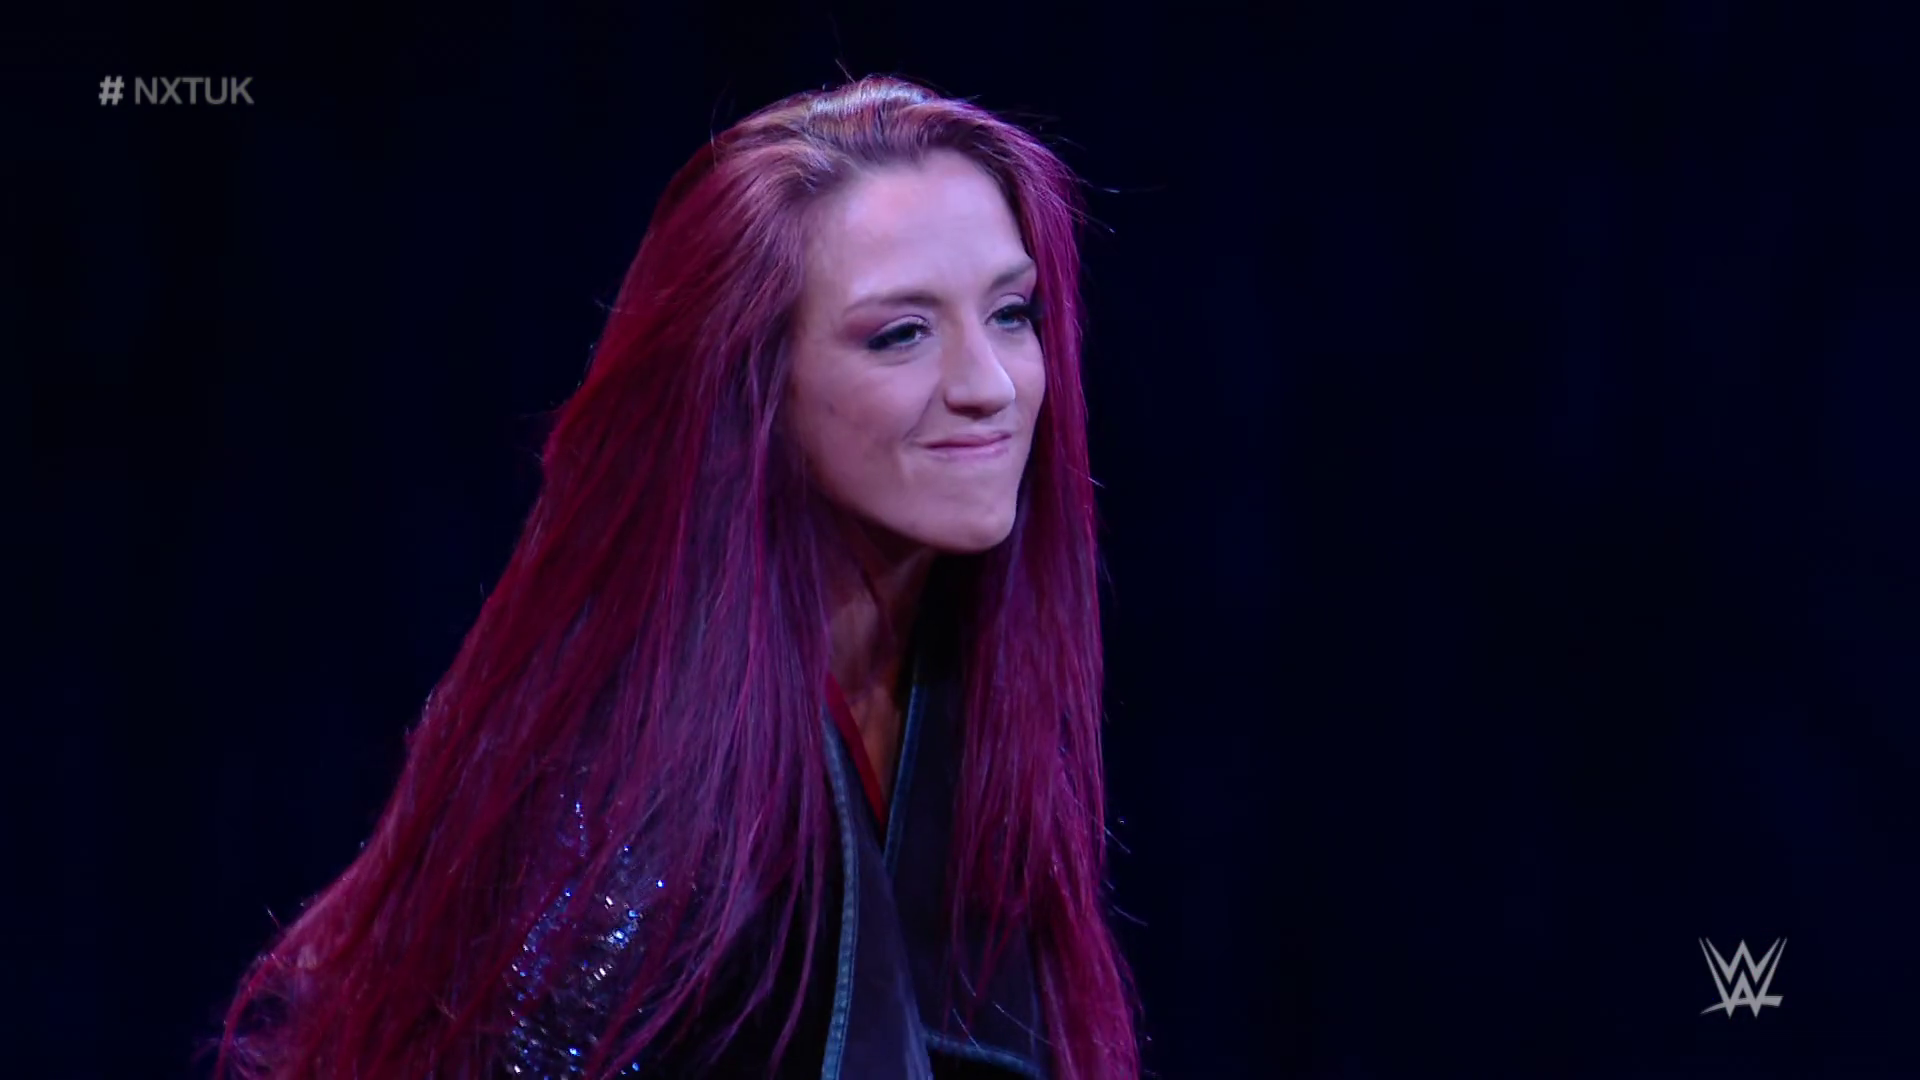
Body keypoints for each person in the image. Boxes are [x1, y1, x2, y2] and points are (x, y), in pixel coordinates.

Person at [213, 74, 1139, 1079]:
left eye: (1011, 314)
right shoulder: (639, 767)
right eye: (900, 334)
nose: (990, 386)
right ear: (752, 381)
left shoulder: (957, 685)